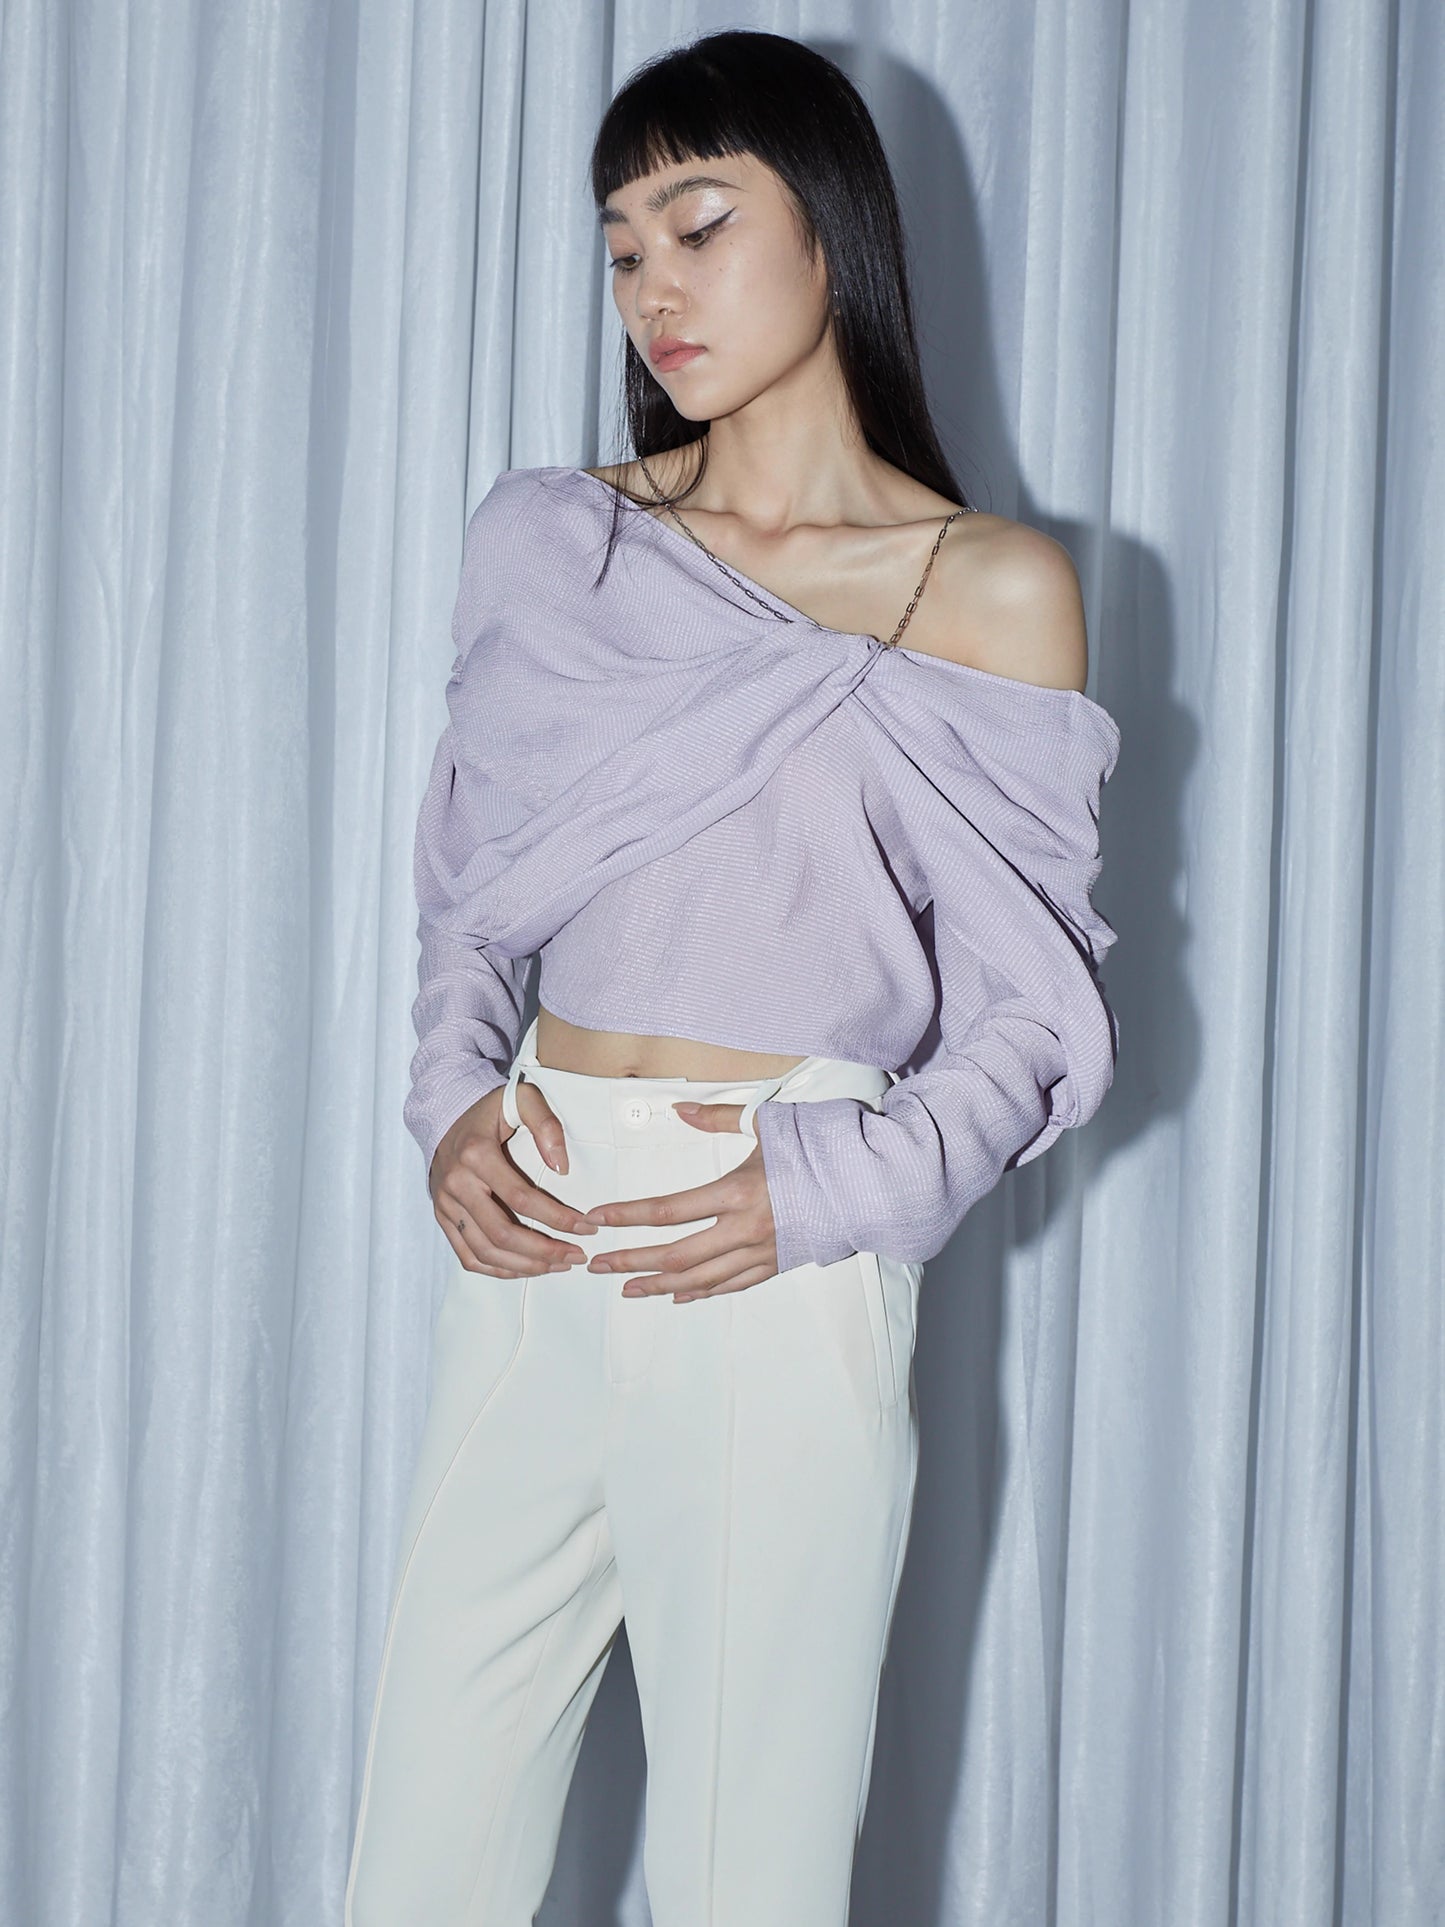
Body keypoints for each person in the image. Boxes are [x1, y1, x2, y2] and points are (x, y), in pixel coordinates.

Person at [345, 27, 1121, 1927]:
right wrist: (452, 1108)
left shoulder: (989, 590)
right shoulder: (555, 540)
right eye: (621, 248)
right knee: (417, 1863)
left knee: (743, 1878)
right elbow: (472, 902)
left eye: (699, 225)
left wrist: (824, 1190)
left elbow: (1028, 1020)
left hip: (777, 1261)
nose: (653, 287)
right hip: (532, 1241)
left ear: (833, 231)